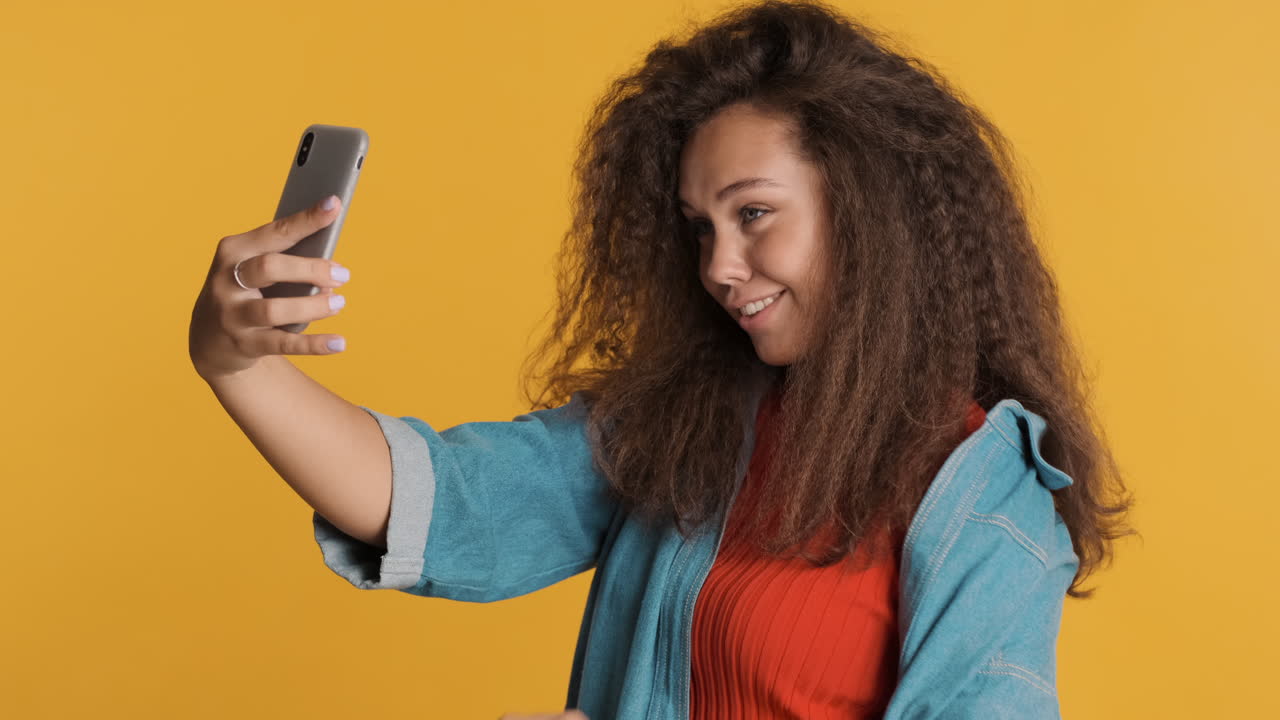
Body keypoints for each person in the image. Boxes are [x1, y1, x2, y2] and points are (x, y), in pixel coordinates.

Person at [189, 1, 1137, 718]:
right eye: (699, 228)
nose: (719, 266)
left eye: (753, 213)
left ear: (870, 211)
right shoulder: (691, 421)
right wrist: (237, 365)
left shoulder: (985, 496)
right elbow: (448, 507)